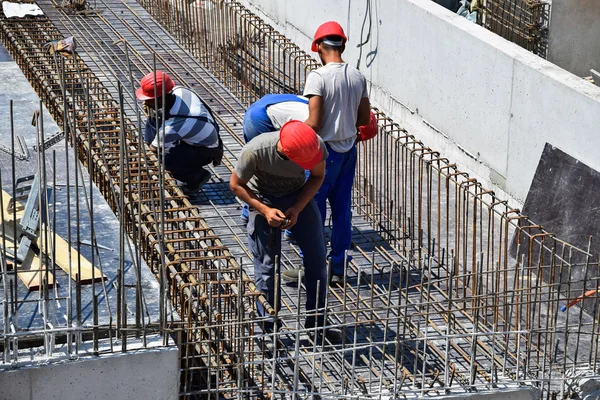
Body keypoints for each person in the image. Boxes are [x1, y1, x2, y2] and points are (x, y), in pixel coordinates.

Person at [284, 21, 371, 286]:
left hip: (323, 153)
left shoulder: (318, 77)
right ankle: (338, 267)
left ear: (319, 47)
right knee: (343, 208)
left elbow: (315, 122)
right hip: (348, 151)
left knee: (313, 208)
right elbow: (365, 117)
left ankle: (312, 267)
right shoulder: (357, 76)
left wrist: (291, 134)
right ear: (343, 45)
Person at [229, 120, 332, 335]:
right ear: (286, 151)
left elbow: (317, 176)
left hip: (297, 195)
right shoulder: (256, 150)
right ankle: (268, 326)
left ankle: (317, 323)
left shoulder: (315, 146)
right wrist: (265, 210)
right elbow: (236, 185)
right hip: (262, 197)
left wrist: (297, 207)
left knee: (317, 259)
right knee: (267, 267)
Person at [136, 71, 223, 195]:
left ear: (160, 100)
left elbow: (153, 150)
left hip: (206, 150)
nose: (145, 102)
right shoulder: (179, 90)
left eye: (148, 100)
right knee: (153, 118)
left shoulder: (174, 126)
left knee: (162, 156)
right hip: (206, 133)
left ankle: (196, 177)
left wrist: (145, 161)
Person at [240, 94, 309, 230]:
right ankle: (255, 213)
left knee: (262, 168)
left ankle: (248, 212)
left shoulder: (319, 107)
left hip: (266, 105)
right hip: (260, 118)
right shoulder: (318, 123)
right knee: (265, 169)